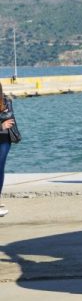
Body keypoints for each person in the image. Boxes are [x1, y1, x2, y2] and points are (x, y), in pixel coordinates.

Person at [0, 82, 16, 217]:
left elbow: (9, 117)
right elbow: (4, 120)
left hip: (4, 139)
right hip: (2, 132)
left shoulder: (6, 100)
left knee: (0, 168)